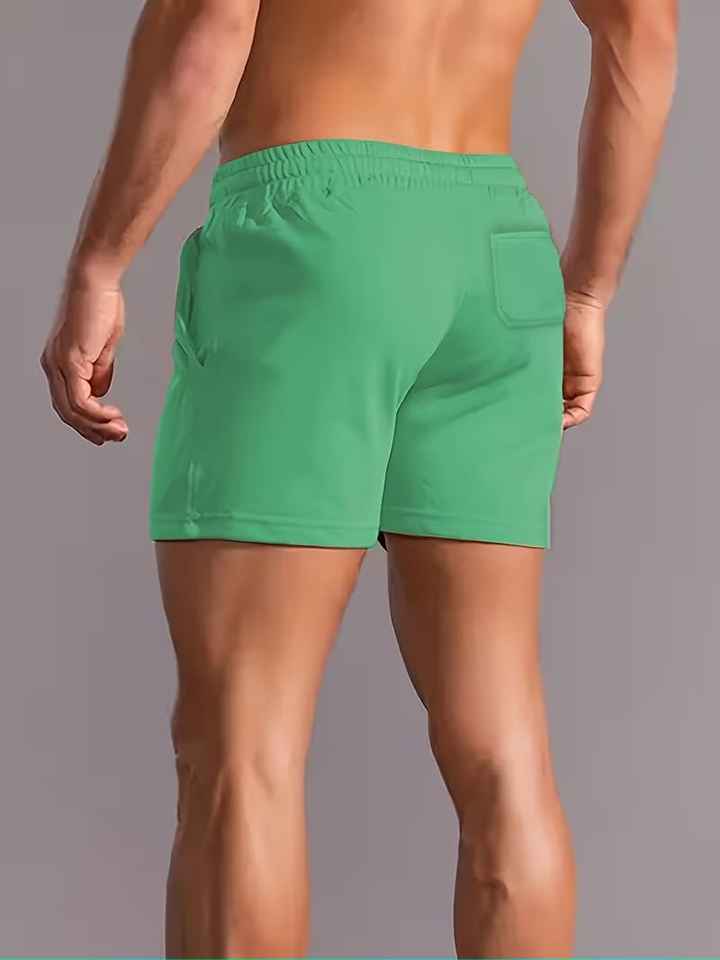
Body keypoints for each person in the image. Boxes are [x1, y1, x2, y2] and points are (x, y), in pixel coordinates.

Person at [40, 0, 678, 956]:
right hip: (497, 247)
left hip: (316, 231)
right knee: (503, 755)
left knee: (242, 749)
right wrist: (587, 288)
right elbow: (646, 30)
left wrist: (99, 264)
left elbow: (210, 18)